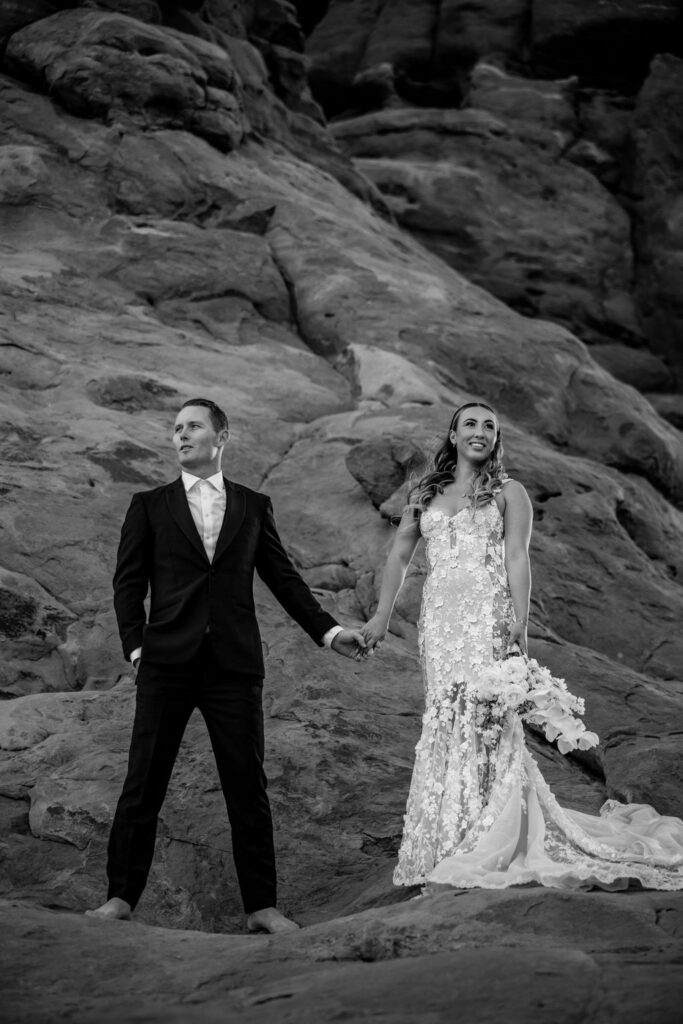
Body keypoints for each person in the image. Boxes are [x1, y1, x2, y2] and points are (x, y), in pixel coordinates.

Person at [361, 402, 683, 891]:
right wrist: (382, 617)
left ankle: (493, 834)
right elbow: (400, 557)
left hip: (487, 619)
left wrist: (519, 621)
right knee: (446, 719)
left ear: (496, 439)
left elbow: (516, 557)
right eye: (470, 423)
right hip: (441, 624)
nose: (480, 431)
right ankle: (451, 833)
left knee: (487, 720)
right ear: (452, 434)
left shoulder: (509, 492)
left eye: (490, 425)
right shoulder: (425, 492)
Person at [88, 398, 367, 932]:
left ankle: (261, 907)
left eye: (193, 426)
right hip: (166, 662)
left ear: (222, 436)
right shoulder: (148, 504)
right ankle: (120, 898)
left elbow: (283, 579)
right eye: (175, 429)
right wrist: (137, 646)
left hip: (234, 668)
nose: (181, 435)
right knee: (143, 783)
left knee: (247, 787)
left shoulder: (253, 505)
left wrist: (331, 633)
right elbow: (128, 583)